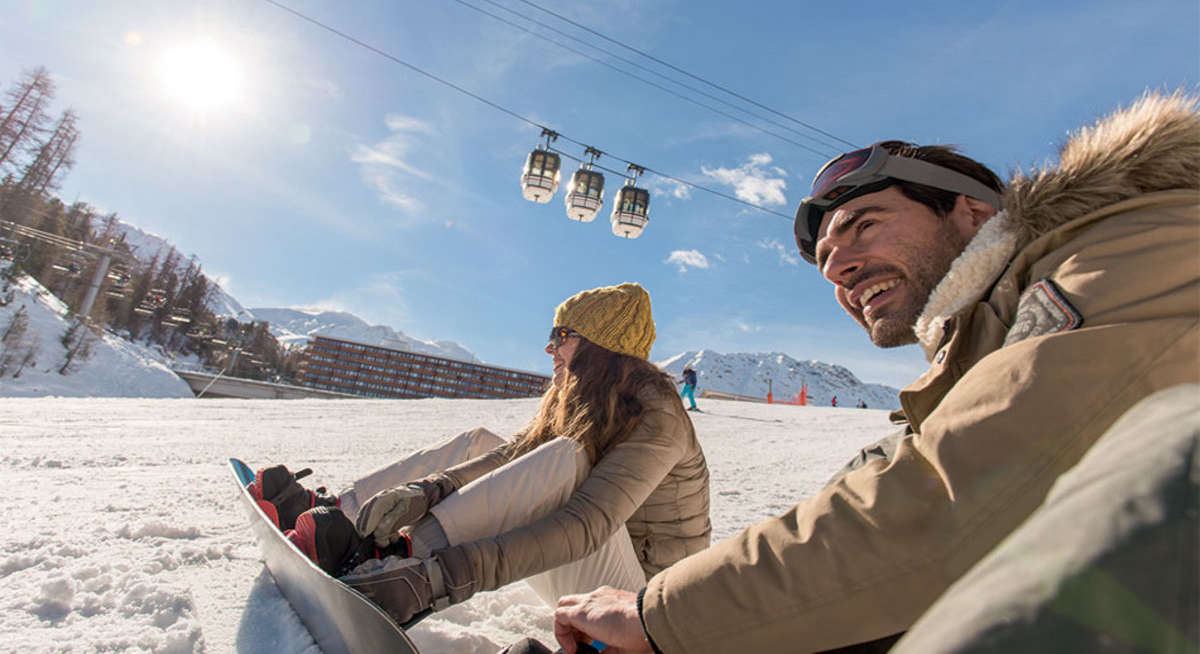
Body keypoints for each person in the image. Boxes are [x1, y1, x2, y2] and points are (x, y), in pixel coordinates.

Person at [551, 92, 1199, 652]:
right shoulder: (991, 338)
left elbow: (948, 499)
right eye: (827, 256)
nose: (837, 267)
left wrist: (657, 617)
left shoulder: (1125, 252)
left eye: (863, 226)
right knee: (880, 465)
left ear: (974, 213)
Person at [253, 282, 712, 627]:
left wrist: (440, 579)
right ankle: (346, 518)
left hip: (639, 608)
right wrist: (429, 488)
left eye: (562, 334)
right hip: (588, 567)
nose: (549, 347)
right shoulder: (586, 401)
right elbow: (511, 455)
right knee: (483, 442)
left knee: (564, 458)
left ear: (599, 346)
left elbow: (587, 525)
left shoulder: (659, 416)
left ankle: (399, 560)